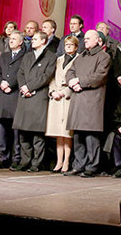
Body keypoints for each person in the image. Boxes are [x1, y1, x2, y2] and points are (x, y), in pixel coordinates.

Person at [64, 30, 111, 177]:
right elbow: (70, 71)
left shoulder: (104, 56)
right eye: (85, 38)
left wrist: (79, 82)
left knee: (91, 136)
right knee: (78, 135)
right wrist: (72, 82)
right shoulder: (81, 56)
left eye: (89, 38)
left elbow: (99, 76)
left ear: (98, 40)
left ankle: (92, 166)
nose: (86, 40)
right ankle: (79, 165)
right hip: (78, 98)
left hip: (92, 99)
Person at [12, 30, 57, 172]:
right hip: (25, 96)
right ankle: (25, 161)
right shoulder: (28, 56)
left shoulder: (51, 56)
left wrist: (30, 87)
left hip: (38, 96)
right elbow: (21, 73)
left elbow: (46, 76)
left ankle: (36, 163)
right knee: (23, 133)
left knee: (37, 135)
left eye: (35, 39)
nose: (32, 41)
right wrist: (23, 87)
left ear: (43, 41)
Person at [0, 30, 26, 169]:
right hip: (3, 95)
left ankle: (16, 157)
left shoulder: (25, 56)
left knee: (15, 129)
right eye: (10, 38)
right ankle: (3, 157)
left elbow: (21, 73)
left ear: (21, 42)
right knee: (2, 128)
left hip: (15, 94)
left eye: (14, 39)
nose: (11, 40)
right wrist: (1, 83)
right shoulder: (4, 56)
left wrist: (10, 84)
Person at [46, 35, 78, 173]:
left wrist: (64, 92)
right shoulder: (58, 60)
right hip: (56, 98)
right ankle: (58, 161)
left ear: (76, 47)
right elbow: (52, 78)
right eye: (66, 45)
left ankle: (66, 162)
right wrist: (52, 91)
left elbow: (75, 79)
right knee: (58, 133)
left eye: (71, 45)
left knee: (66, 133)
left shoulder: (78, 60)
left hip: (67, 98)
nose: (68, 47)